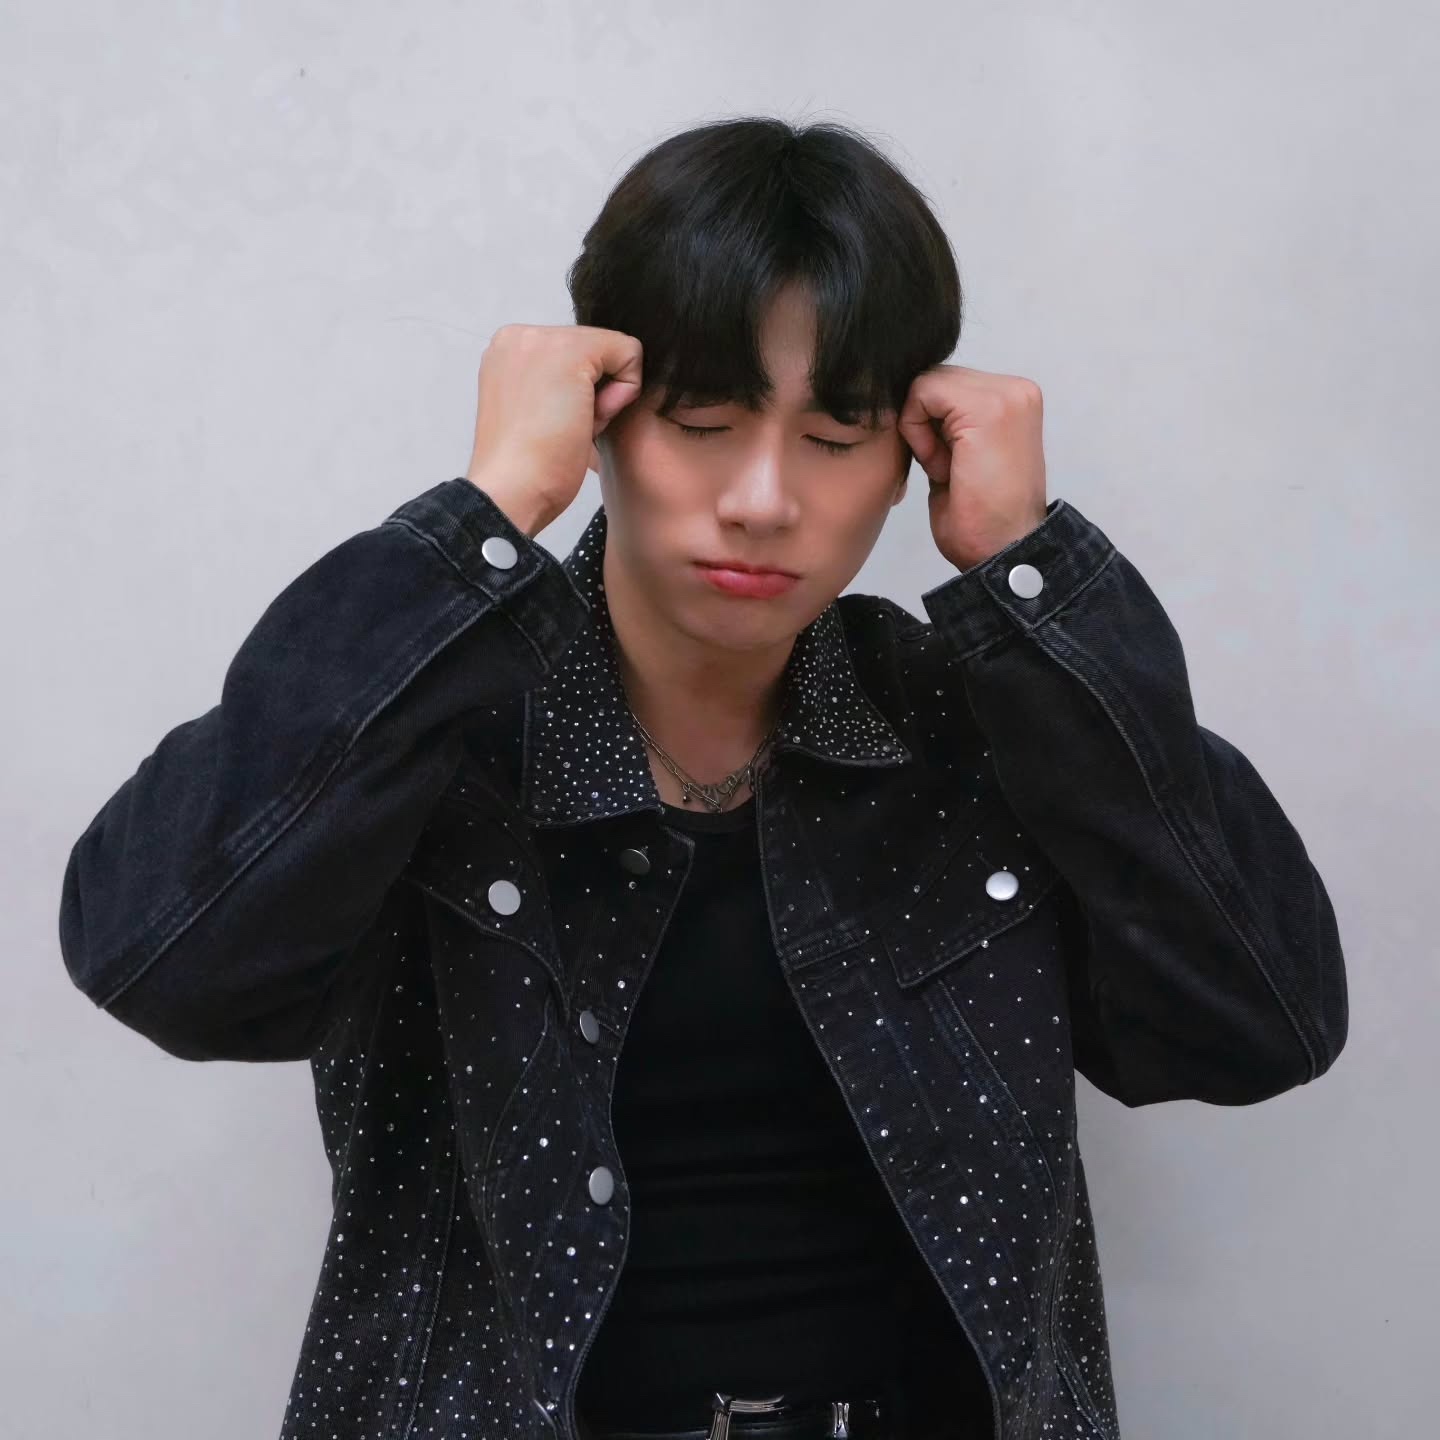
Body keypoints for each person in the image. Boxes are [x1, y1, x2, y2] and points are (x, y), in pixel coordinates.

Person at [59, 117, 1348, 1440]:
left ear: (909, 459)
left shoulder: (976, 727)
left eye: (836, 437)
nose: (763, 498)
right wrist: (486, 515)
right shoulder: (430, 724)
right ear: (603, 423)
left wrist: (1029, 576)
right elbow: (165, 965)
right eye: (704, 423)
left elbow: (1260, 1027)